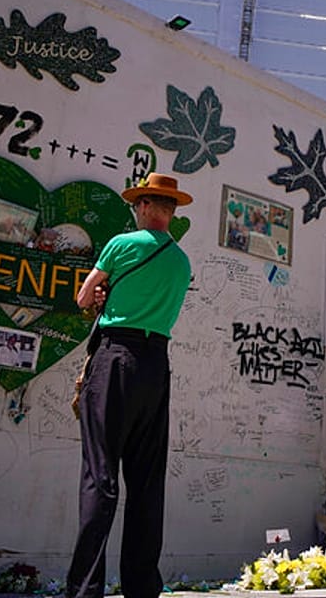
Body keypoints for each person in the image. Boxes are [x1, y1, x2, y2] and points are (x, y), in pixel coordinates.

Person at [64, 173, 192, 598]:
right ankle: (142, 587)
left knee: (100, 475)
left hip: (116, 359)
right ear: (170, 211)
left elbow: (84, 299)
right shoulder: (181, 260)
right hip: (157, 365)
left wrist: (102, 298)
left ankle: (86, 589)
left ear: (143, 207)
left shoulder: (122, 245)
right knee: (147, 481)